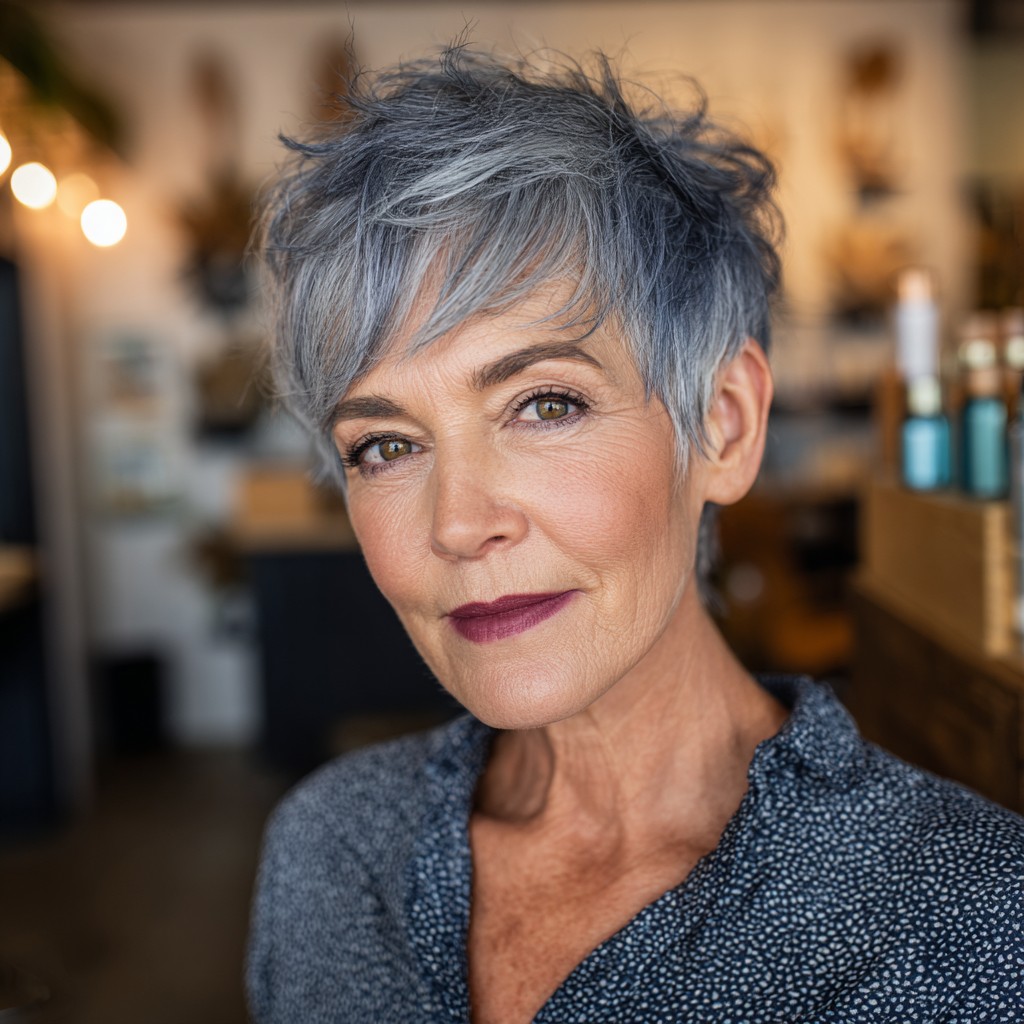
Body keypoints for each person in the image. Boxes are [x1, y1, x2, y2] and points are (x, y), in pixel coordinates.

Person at [246, 47, 1024, 1024]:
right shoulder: (328, 853)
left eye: (544, 403)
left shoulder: (966, 927)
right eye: (387, 445)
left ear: (724, 424)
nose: (458, 523)